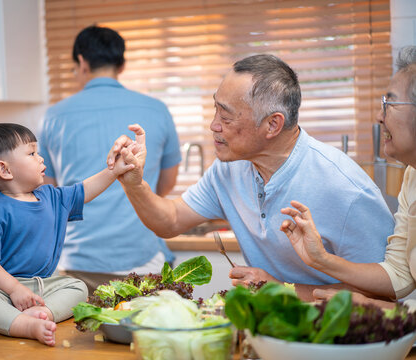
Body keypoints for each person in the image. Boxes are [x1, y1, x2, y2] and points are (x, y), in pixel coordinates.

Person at [107, 54, 395, 300]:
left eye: (226, 117)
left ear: (272, 125)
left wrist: (283, 291)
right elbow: (169, 220)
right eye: (215, 110)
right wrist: (135, 183)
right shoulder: (230, 168)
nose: (213, 125)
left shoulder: (345, 189)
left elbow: (385, 293)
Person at [0, 123, 134, 346]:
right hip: (0, 288)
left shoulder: (53, 197)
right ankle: (23, 324)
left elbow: (85, 190)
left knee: (77, 287)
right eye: (32, 153)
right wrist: (14, 289)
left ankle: (43, 314)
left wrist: (114, 170)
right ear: (5, 170)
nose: (41, 159)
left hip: (42, 286)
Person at [38, 25, 181, 293]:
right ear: (122, 64)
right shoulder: (157, 109)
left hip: (77, 264)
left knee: (77, 335)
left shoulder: (54, 116)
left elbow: (49, 190)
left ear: (81, 62)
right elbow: (168, 181)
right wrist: (139, 196)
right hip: (143, 262)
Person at [280, 46, 416, 308]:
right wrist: (320, 259)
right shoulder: (412, 174)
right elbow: (399, 276)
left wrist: (377, 307)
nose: (379, 116)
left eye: (390, 103)